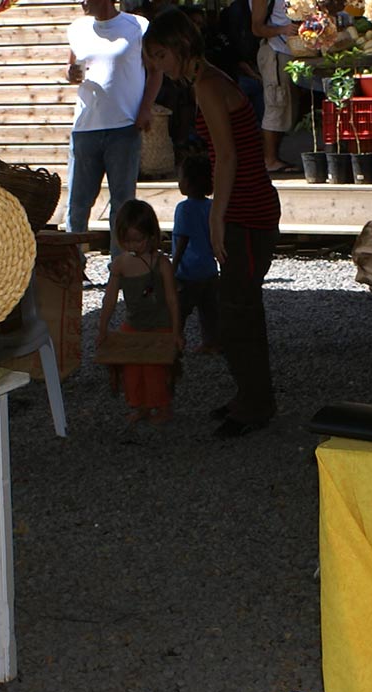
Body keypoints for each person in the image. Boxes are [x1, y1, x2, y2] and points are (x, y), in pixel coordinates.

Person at [145, 6, 281, 436]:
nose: (159, 68)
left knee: (239, 311)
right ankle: (250, 395)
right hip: (249, 206)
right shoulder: (211, 79)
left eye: (160, 57)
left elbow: (228, 156)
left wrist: (216, 219)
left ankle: (255, 404)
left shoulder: (206, 84)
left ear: (179, 49)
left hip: (248, 210)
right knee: (238, 308)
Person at [65, 0, 161, 249]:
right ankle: (72, 267)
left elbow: (155, 71)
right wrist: (69, 74)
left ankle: (121, 266)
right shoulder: (77, 28)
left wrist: (145, 109)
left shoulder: (137, 26)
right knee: (78, 203)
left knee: (122, 203)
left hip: (124, 127)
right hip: (85, 127)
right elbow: (71, 67)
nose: (82, 2)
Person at [97, 199, 182, 426]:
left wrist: (176, 331)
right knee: (132, 369)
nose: (133, 245)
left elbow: (173, 299)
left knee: (154, 370)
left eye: (138, 240)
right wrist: (102, 328)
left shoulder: (161, 263)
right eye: (127, 241)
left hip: (160, 323)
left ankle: (162, 406)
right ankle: (140, 405)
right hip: (133, 323)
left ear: (151, 235)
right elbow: (109, 299)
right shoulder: (120, 264)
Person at [171, 154, 219, 353]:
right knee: (209, 311)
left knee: (179, 310)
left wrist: (172, 268)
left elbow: (182, 239)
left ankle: (174, 342)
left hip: (188, 271)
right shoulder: (211, 206)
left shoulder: (184, 208)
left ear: (188, 183)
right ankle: (212, 342)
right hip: (208, 268)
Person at [250, 0, 300, 174]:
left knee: (286, 105)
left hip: (291, 52)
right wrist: (283, 30)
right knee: (276, 104)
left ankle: (274, 157)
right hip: (275, 51)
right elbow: (256, 28)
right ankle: (269, 159)